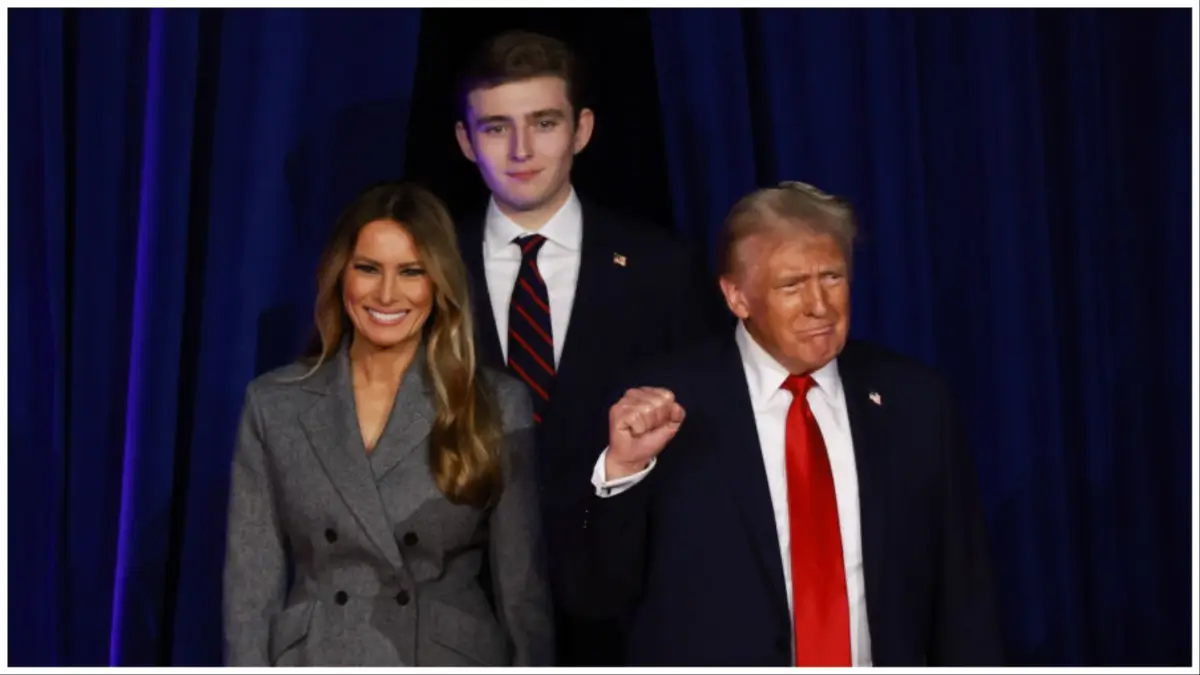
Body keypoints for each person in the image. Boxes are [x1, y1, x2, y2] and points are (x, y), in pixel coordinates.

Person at [558, 181, 1005, 666]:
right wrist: (621, 473)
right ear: (737, 296)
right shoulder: (664, 405)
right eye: (792, 285)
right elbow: (592, 592)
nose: (820, 306)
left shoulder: (914, 401)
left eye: (832, 277)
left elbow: (965, 595)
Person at [450, 30, 728, 664]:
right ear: (467, 142)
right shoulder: (427, 271)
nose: (521, 150)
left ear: (582, 129)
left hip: (631, 615)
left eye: (544, 123)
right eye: (496, 128)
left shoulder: (664, 267)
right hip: (465, 618)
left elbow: (708, 444)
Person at [222, 182, 554, 667]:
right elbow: (249, 593)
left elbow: (522, 589)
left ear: (438, 283)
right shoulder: (275, 404)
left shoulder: (495, 404)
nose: (386, 293)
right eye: (368, 269)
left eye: (411, 272)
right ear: (341, 274)